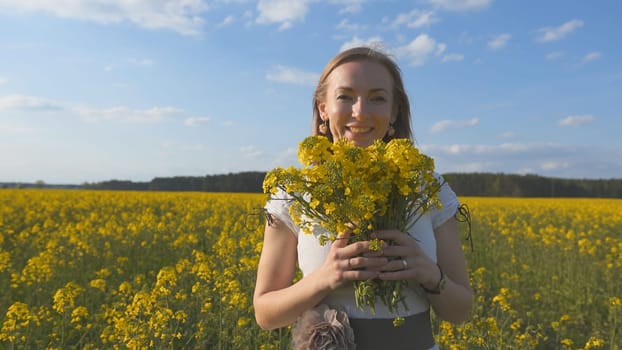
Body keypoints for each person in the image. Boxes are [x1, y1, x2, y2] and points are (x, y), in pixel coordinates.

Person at [253, 46, 472, 349]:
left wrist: (428, 273)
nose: (360, 112)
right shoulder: (293, 193)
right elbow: (265, 314)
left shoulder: (427, 188)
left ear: (395, 111)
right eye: (345, 97)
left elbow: (460, 310)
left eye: (377, 98)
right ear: (323, 109)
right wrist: (326, 278)